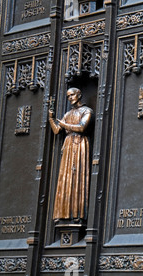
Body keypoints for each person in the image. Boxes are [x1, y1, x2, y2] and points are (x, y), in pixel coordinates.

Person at [49, 87, 93, 223]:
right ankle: (62, 213)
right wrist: (51, 119)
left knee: (78, 175)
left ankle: (77, 213)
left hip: (79, 144)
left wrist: (64, 124)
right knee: (65, 177)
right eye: (68, 96)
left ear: (79, 95)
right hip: (68, 145)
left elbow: (81, 127)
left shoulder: (87, 111)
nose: (70, 98)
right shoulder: (68, 114)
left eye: (72, 95)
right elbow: (57, 130)